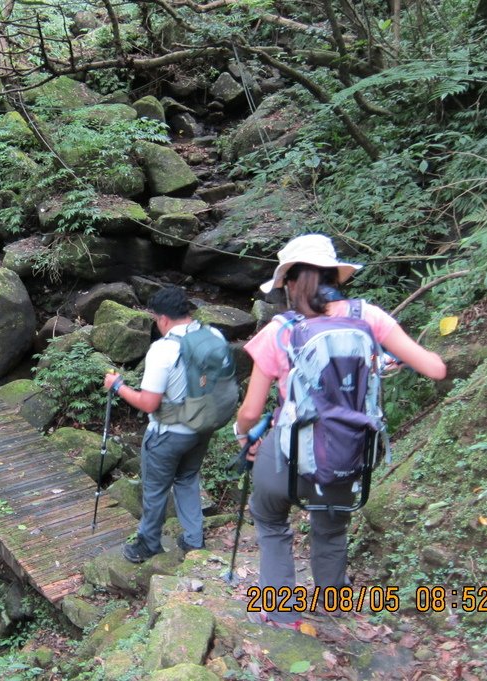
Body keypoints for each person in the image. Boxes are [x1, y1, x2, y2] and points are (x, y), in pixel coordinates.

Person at [235, 234, 446, 629]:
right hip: (349, 453)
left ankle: (281, 612)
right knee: (331, 528)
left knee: (269, 519)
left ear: (290, 283)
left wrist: (241, 433)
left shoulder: (279, 330)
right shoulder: (369, 317)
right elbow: (435, 368)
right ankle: (333, 602)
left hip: (288, 456)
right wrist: (387, 357)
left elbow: (250, 412)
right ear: (337, 275)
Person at [103, 286, 228, 563]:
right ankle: (194, 540)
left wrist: (118, 386)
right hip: (203, 427)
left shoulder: (163, 350)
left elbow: (149, 403)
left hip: (168, 434)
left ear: (162, 319)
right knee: (186, 479)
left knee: (156, 489)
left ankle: (148, 544)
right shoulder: (215, 336)